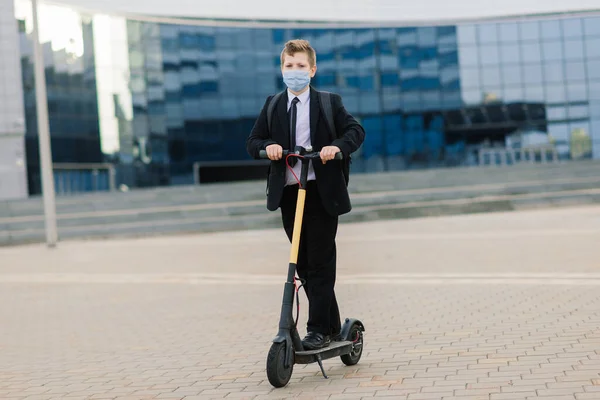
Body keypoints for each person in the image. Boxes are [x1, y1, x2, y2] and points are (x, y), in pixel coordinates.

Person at [246, 39, 365, 350]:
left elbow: (355, 131)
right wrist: (266, 147)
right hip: (289, 191)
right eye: (289, 66)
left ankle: (316, 330)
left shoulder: (329, 102)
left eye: (301, 66)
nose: (294, 71)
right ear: (282, 69)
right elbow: (254, 140)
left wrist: (336, 147)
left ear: (312, 70)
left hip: (321, 191)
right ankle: (333, 326)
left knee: (321, 262)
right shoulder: (273, 104)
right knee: (301, 263)